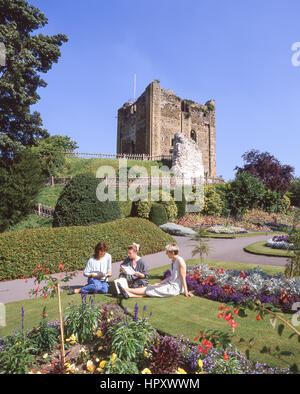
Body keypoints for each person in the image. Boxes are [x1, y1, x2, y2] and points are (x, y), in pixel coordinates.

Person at [117, 243, 194, 299]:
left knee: (154, 290)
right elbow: (172, 275)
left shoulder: (180, 261)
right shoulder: (173, 260)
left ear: (173, 252)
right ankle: (129, 294)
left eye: (167, 252)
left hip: (174, 288)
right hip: (169, 283)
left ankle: (127, 290)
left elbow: (183, 277)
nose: (166, 253)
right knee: (152, 287)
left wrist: (186, 292)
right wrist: (161, 282)